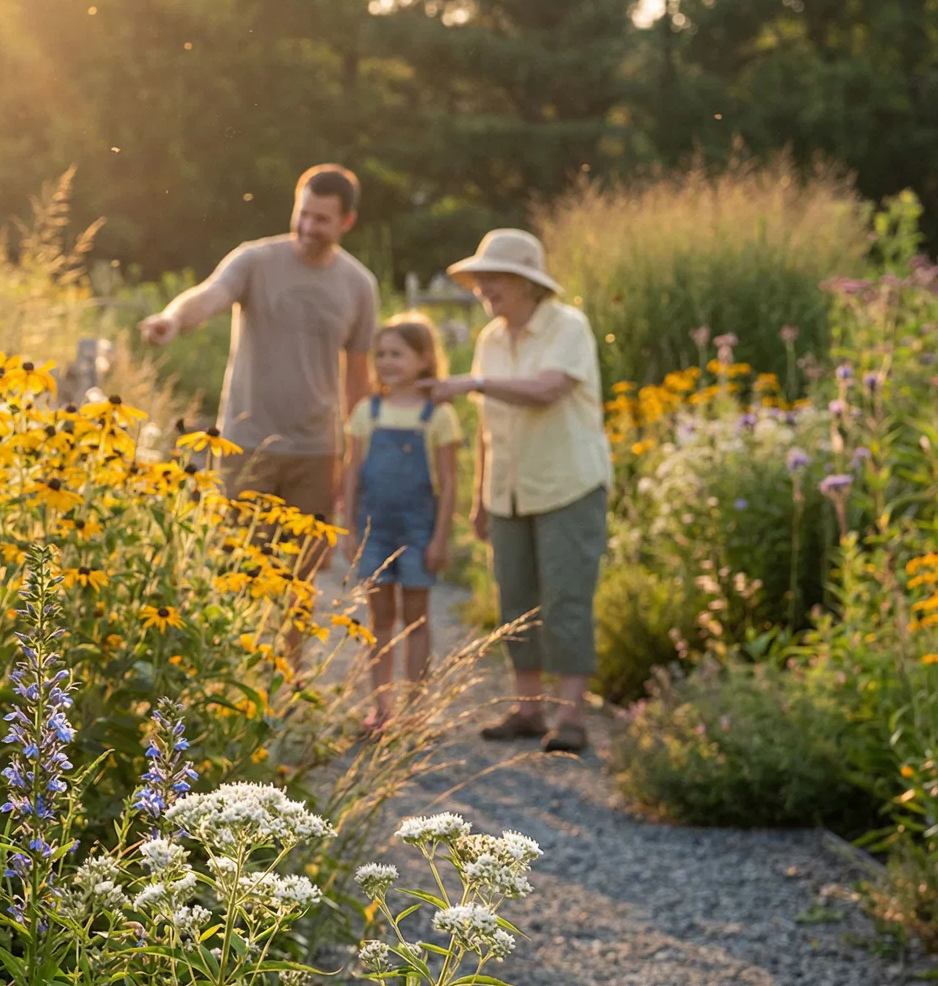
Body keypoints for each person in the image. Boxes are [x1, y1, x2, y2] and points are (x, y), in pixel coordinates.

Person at [138, 164, 377, 669]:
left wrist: (356, 455)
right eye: (303, 214)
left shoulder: (359, 285)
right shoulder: (256, 260)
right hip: (247, 444)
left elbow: (359, 376)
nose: (309, 227)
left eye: (323, 220)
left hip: (316, 450)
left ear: (347, 222)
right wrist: (174, 319)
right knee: (239, 563)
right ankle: (233, 673)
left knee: (300, 574)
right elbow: (210, 294)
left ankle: (284, 675)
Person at [422, 228, 611, 753]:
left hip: (568, 485)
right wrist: (482, 497)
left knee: (566, 599)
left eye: (494, 278)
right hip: (508, 491)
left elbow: (549, 391)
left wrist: (474, 384)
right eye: (480, 279)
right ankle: (527, 712)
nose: (483, 288)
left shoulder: (567, 327)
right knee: (515, 601)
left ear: (528, 283)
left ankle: (570, 719)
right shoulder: (489, 340)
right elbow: (488, 427)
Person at [337, 315, 462, 734]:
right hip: (375, 531)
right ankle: (382, 708)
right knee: (380, 620)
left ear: (424, 359)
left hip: (418, 533)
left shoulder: (438, 416)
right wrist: (349, 527)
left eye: (398, 353)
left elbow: (448, 483)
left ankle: (416, 709)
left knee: (417, 619)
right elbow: (352, 471)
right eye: (382, 354)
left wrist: (441, 538)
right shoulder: (366, 411)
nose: (387, 362)